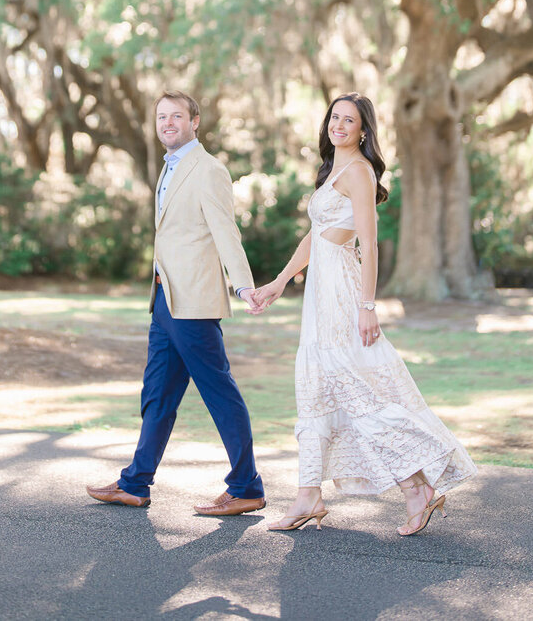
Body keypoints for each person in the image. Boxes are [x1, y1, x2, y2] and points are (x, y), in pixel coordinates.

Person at [253, 92, 476, 534]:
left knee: (358, 391)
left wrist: (367, 306)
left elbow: (368, 244)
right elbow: (317, 237)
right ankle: (308, 496)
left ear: (363, 130)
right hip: (319, 292)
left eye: (348, 120)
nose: (338, 125)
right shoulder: (333, 169)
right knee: (318, 386)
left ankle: (418, 488)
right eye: (334, 117)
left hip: (343, 292)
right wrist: (279, 282)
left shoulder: (359, 172)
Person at [86, 90, 266, 516]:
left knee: (218, 391)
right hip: (165, 298)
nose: (167, 123)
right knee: (158, 393)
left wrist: (242, 286)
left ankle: (246, 486)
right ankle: (135, 483)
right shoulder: (169, 169)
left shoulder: (209, 170)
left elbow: (226, 232)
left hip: (196, 302)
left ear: (195, 121)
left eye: (176, 116)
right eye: (161, 116)